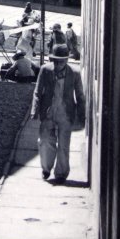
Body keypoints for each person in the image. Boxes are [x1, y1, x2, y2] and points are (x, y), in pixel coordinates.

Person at [30, 43, 85, 183]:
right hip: (48, 111)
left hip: (66, 113)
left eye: (61, 60)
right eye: (55, 60)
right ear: (52, 59)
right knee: (44, 141)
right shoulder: (45, 70)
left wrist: (81, 116)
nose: (58, 63)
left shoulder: (75, 74)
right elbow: (37, 92)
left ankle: (61, 174)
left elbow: (80, 97)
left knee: (64, 145)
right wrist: (34, 110)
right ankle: (46, 168)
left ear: (67, 60)